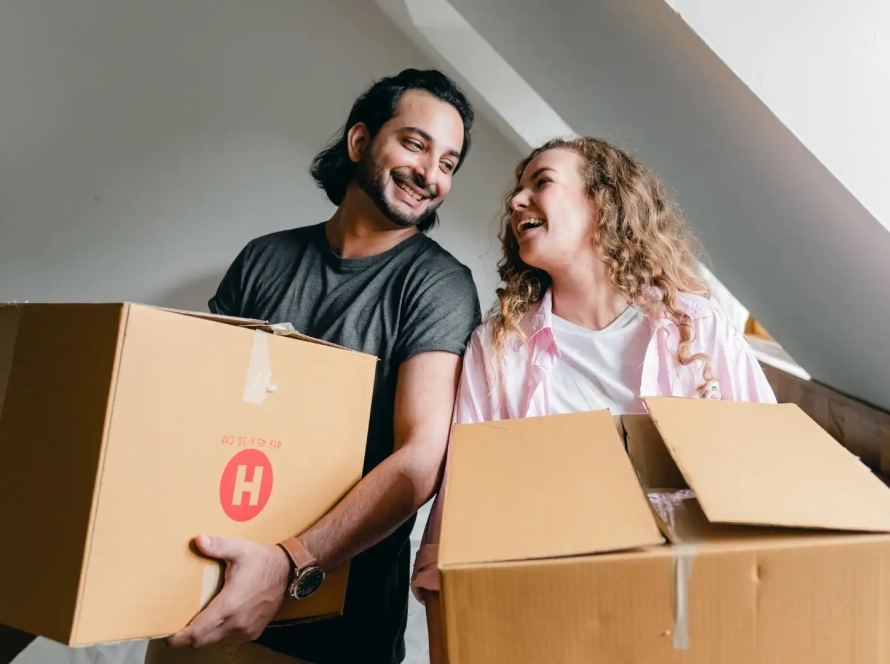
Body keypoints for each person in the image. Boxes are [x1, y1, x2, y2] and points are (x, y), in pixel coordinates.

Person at [145, 69, 481, 664]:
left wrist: (291, 562)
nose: (430, 174)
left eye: (449, 163)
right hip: (203, 602)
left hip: (335, 634)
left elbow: (420, 458)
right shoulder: (265, 257)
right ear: (359, 142)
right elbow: (199, 413)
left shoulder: (439, 285)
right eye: (415, 143)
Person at [411, 136, 777, 663]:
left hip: (690, 623)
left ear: (602, 201)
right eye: (517, 188)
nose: (515, 200)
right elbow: (456, 526)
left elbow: (772, 477)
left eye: (541, 182)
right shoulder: (498, 349)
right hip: (544, 623)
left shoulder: (697, 328)